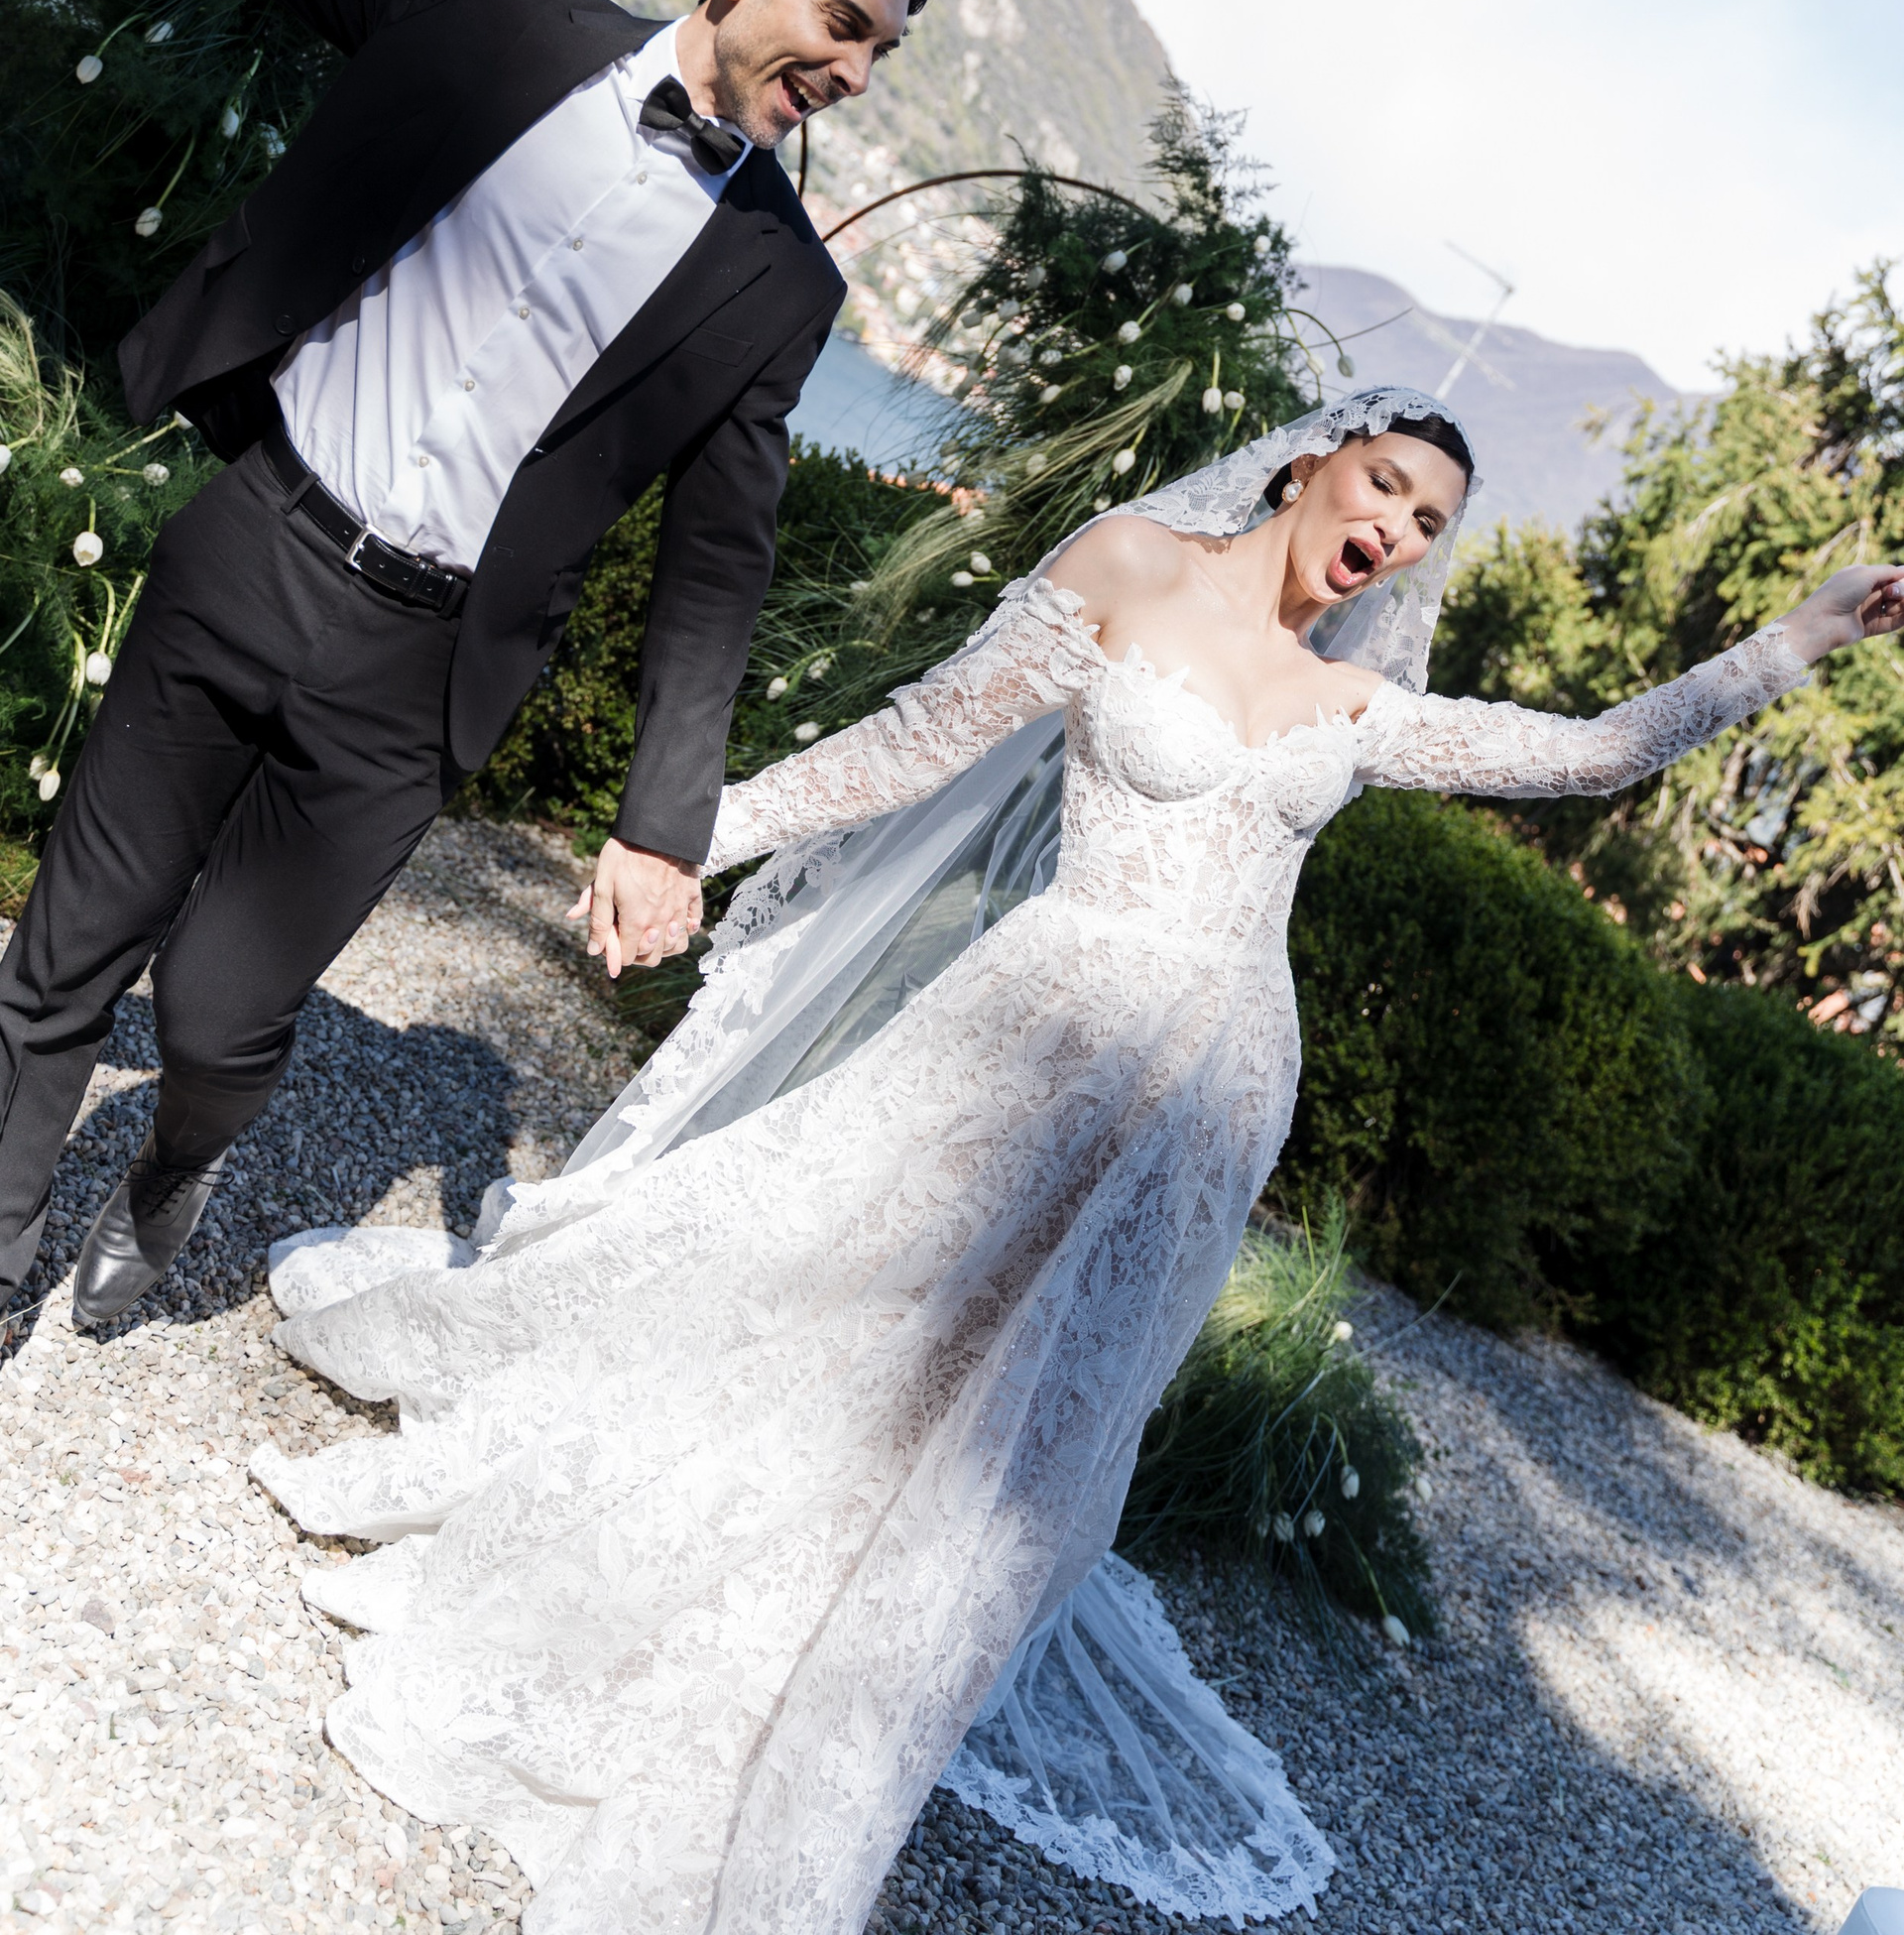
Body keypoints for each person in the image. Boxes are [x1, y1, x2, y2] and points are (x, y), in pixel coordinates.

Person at [244, 388, 1904, 1934]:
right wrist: (690, 838)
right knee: (839, 1295)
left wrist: (1803, 638)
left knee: (1027, 1432)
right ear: (1309, 463)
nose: (1395, 531)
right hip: (1034, 1035)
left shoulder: (1357, 703)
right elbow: (914, 741)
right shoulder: (1128, 565)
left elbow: (1592, 753)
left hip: (1212, 1100)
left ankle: (858, 1718)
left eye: (1427, 524)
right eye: (1385, 487)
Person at [0, 0, 939, 1330]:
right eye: (844, 26)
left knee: (221, 1014)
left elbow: (720, 565)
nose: (853, 73)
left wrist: (664, 820)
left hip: (413, 677)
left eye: (882, 57)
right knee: (64, 947)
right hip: (256, 542)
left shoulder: (782, 284)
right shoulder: (504, 16)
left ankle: (179, 1167)